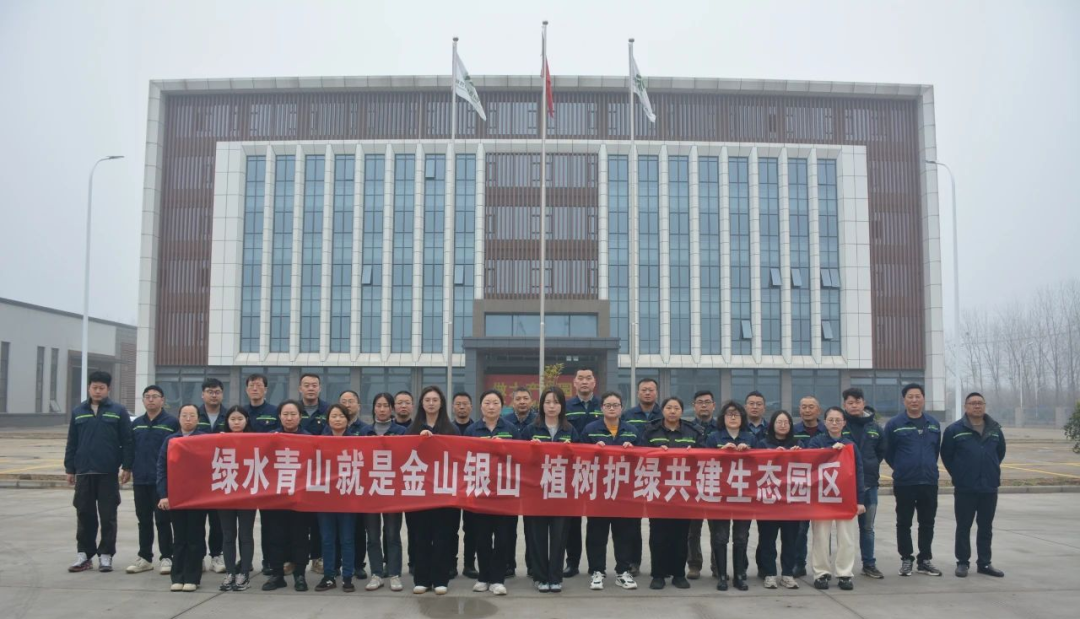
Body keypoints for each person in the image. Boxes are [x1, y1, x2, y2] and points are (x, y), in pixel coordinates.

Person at [64, 370, 134, 573]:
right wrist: (70, 468)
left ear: (108, 389)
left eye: (101, 388)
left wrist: (127, 466)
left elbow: (127, 441)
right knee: (84, 515)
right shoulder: (78, 411)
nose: (97, 391)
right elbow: (72, 442)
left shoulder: (118, 411)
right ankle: (84, 555)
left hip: (107, 473)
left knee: (108, 516)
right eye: (94, 387)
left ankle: (106, 555)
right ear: (89, 388)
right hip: (84, 472)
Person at [941, 392, 1006, 578]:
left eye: (980, 403)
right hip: (965, 487)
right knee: (964, 526)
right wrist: (960, 474)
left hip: (989, 487)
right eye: (973, 403)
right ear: (966, 406)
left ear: (984, 406)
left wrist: (989, 470)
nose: (977, 406)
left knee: (986, 527)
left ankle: (984, 563)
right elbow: (947, 456)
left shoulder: (995, 429)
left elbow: (1000, 452)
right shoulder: (954, 430)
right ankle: (962, 562)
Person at [581, 391, 640, 591]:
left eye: (616, 405)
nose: (612, 408)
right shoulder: (590, 430)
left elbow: (645, 458)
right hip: (598, 491)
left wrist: (633, 450)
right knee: (596, 533)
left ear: (622, 408)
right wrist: (592, 451)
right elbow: (579, 457)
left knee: (623, 533)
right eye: (608, 405)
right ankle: (597, 571)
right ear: (602, 408)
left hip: (624, 491)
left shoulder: (632, 431)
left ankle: (623, 571)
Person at [463, 390, 520, 596]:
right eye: (487, 403)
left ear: (502, 407)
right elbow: (464, 457)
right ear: (481, 407)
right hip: (481, 492)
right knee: (482, 537)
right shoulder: (472, 430)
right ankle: (483, 577)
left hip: (505, 494)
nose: (491, 406)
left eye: (495, 403)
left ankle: (498, 579)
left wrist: (502, 448)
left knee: (503, 538)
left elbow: (519, 456)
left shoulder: (511, 429)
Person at [642, 396, 703, 590]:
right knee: (658, 535)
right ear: (663, 410)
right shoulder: (651, 431)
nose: (673, 411)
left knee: (680, 535)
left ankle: (678, 574)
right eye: (669, 407)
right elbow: (640, 455)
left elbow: (705, 457)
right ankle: (658, 574)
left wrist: (694, 454)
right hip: (658, 491)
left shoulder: (693, 432)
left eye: (676, 408)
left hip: (683, 491)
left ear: (682, 411)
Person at [522, 387, 580, 592]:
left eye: (556, 402)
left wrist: (570, 452)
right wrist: (531, 450)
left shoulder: (570, 430)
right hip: (536, 492)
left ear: (562, 406)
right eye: (547, 402)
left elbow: (579, 460)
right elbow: (520, 460)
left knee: (559, 537)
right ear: (541, 405)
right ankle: (540, 577)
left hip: (561, 492)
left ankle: (555, 577)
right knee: (537, 536)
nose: (552, 406)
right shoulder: (530, 430)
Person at [405, 386, 461, 595]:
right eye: (427, 399)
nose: (431, 403)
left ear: (441, 403)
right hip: (419, 493)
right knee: (420, 536)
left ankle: (440, 579)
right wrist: (418, 440)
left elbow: (458, 458)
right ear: (421, 403)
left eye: (435, 400)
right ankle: (422, 578)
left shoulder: (451, 429)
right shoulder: (411, 429)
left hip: (444, 493)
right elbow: (404, 456)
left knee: (442, 537)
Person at [884, 383, 944, 577]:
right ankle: (906, 559)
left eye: (918, 396)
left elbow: (935, 450)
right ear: (904, 400)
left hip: (929, 481)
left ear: (923, 399)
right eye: (910, 397)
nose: (914, 400)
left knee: (927, 523)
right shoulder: (894, 424)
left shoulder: (933, 423)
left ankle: (924, 560)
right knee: (904, 522)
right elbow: (888, 452)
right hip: (905, 482)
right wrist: (902, 467)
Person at [807, 407, 866, 591]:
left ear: (844, 423)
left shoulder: (850, 445)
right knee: (821, 536)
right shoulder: (816, 442)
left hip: (845, 498)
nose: (834, 423)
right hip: (821, 498)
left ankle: (844, 574)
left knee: (846, 537)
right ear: (824, 422)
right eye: (831, 420)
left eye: (838, 420)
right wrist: (829, 451)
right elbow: (810, 464)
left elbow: (859, 472)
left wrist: (860, 500)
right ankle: (821, 573)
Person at [156, 404, 208, 592]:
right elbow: (162, 468)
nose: (188, 419)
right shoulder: (171, 440)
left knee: (195, 537)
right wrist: (164, 495)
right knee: (179, 538)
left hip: (196, 498)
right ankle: (177, 576)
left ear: (198, 419)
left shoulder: (204, 439)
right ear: (178, 418)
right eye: (184, 415)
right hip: (176, 497)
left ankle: (192, 578)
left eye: (192, 415)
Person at [705, 401, 757, 591]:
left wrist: (749, 453)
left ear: (743, 417)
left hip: (744, 495)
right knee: (720, 536)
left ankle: (739, 576)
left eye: (737, 414)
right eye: (729, 414)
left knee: (741, 537)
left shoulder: (750, 437)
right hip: (720, 494)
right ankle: (721, 576)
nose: (733, 417)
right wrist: (720, 453)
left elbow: (761, 464)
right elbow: (703, 462)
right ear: (723, 417)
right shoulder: (714, 437)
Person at [127, 385, 179, 575]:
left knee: (163, 520)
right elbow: (130, 447)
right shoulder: (137, 423)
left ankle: (167, 556)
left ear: (162, 400)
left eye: (155, 396)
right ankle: (145, 557)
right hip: (141, 479)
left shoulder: (171, 422)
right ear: (143, 400)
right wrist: (127, 468)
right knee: (143, 520)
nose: (151, 399)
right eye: (147, 396)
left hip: (162, 481)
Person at [261, 400, 313, 592]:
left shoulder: (310, 439)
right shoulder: (270, 438)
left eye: (293, 414)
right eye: (285, 414)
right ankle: (277, 575)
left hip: (300, 499)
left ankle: (300, 575)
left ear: (300, 416)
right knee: (275, 536)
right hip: (275, 498)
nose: (289, 418)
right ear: (279, 416)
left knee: (300, 537)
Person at [360, 392, 407, 592]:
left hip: (392, 491)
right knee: (372, 536)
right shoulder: (365, 432)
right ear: (373, 408)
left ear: (391, 409)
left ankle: (394, 574)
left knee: (392, 535)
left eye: (385, 406)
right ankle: (377, 574)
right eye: (378, 405)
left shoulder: (402, 432)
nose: (381, 409)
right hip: (370, 491)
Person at [314, 404, 361, 593]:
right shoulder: (318, 442)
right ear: (328, 420)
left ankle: (347, 577)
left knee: (347, 539)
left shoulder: (357, 442)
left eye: (341, 416)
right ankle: (329, 575)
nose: (337, 419)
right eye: (333, 416)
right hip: (324, 499)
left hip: (347, 498)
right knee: (327, 539)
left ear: (348, 420)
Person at [841, 388, 886, 579]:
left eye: (857, 402)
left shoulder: (875, 427)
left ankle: (869, 564)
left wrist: (870, 465)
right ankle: (842, 567)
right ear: (845, 405)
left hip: (869, 484)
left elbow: (881, 451)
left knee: (867, 528)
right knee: (843, 529)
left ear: (863, 403)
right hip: (844, 486)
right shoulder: (840, 425)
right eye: (850, 403)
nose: (854, 406)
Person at [756, 410, 802, 590]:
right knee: (767, 540)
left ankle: (788, 574)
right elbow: (755, 467)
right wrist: (772, 454)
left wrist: (798, 454)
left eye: (786, 422)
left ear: (790, 425)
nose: (782, 425)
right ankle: (769, 573)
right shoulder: (762, 444)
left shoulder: (798, 444)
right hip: (768, 501)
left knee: (790, 540)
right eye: (779, 422)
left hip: (791, 502)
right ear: (772, 425)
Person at [563, 367, 601, 578]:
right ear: (575, 383)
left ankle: (596, 565)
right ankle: (572, 562)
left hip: (600, 471)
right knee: (573, 521)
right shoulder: (567, 406)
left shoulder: (603, 405)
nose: (584, 381)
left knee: (597, 520)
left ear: (594, 383)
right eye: (581, 378)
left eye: (588, 378)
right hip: (573, 470)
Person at [621, 377, 660, 575]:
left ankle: (659, 564)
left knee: (658, 522)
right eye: (644, 390)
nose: (647, 393)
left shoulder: (664, 414)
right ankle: (633, 562)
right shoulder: (627, 415)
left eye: (651, 390)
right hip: (633, 475)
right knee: (632, 523)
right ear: (638, 393)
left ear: (656, 393)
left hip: (658, 475)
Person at [217, 406, 257, 591]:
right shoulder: (218, 439)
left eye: (240, 419)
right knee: (228, 535)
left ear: (246, 420)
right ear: (227, 421)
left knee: (245, 535)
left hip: (247, 495)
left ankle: (244, 574)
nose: (236, 422)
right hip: (225, 493)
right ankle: (230, 572)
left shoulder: (255, 440)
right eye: (232, 419)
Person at [501, 386, 536, 577]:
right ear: (512, 402)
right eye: (518, 399)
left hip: (532, 481)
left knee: (532, 527)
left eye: (525, 398)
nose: (522, 402)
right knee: (508, 526)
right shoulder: (505, 422)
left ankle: (533, 565)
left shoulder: (538, 422)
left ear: (531, 401)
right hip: (510, 481)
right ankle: (508, 564)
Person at [686, 389, 719, 580]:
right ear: (694, 406)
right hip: (693, 484)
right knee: (693, 530)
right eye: (700, 402)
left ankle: (717, 565)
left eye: (707, 402)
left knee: (717, 529)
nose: (704, 405)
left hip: (716, 484)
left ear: (714, 406)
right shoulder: (687, 429)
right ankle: (694, 564)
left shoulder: (721, 428)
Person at [197, 378, 227, 574]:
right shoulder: (194, 414)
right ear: (203, 394)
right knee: (197, 520)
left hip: (221, 475)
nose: (213, 395)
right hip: (199, 476)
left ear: (222, 394)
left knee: (218, 521)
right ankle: (198, 556)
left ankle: (217, 555)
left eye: (217, 392)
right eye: (209, 391)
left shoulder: (229, 416)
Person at [339, 388, 369, 581]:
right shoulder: (329, 429)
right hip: (336, 487)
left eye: (351, 401)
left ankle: (358, 565)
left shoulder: (365, 429)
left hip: (358, 486)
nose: (347, 405)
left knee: (358, 529)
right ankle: (336, 564)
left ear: (358, 405)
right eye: (344, 401)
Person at [791, 395, 822, 576]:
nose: (807, 410)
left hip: (821, 487)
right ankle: (798, 563)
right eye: (804, 407)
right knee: (800, 530)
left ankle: (822, 566)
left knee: (822, 530)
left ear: (818, 410)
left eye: (811, 407)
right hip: (800, 486)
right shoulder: (793, 431)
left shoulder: (827, 431)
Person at [451, 392, 478, 580]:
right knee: (450, 528)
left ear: (471, 407)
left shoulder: (476, 429)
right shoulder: (446, 430)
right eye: (458, 404)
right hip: (451, 486)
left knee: (472, 528)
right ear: (453, 407)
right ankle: (450, 564)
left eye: (465, 404)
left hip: (472, 485)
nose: (461, 407)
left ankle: (469, 564)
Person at [744, 390, 769, 579]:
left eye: (758, 404)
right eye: (751, 403)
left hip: (765, 485)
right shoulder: (738, 427)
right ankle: (741, 567)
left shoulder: (772, 428)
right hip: (743, 485)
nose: (754, 407)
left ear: (764, 408)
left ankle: (764, 566)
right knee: (742, 532)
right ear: (745, 407)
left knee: (765, 531)